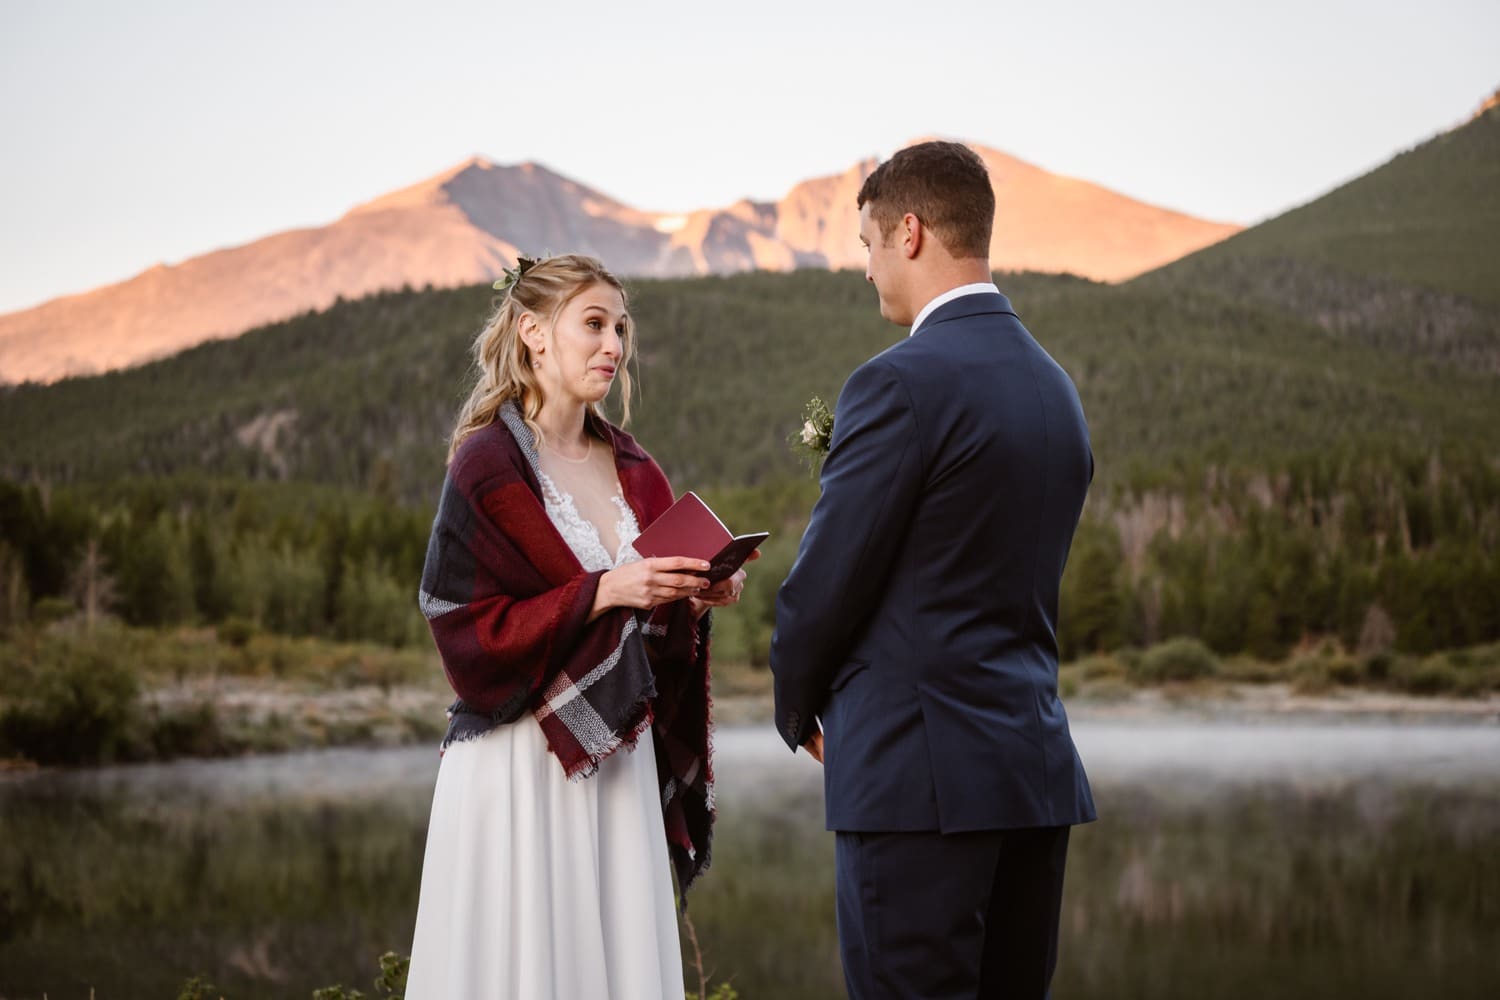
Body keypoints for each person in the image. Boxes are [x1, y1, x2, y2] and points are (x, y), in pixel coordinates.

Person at [769, 141, 1096, 1000]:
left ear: (909, 233)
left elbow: (826, 581)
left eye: (869, 246)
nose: (867, 271)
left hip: (917, 785)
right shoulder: (1054, 387)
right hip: (1030, 775)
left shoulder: (899, 384)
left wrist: (794, 704)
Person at [406, 253, 744, 999]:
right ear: (532, 332)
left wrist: (694, 593)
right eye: (593, 324)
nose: (613, 345)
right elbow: (464, 630)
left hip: (615, 753)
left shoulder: (636, 467)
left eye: (620, 327)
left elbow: (653, 636)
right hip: (521, 761)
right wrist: (605, 590)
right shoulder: (486, 465)